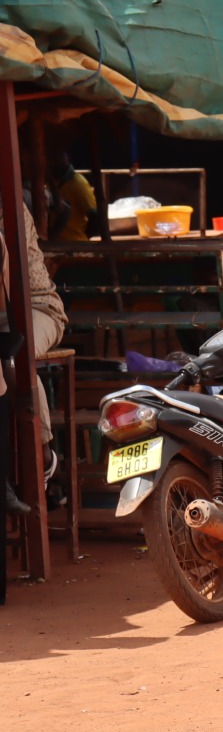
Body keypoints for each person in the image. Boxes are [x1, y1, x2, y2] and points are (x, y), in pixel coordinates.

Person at [1, 209, 67, 515]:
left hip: (37, 307)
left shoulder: (9, 206)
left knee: (15, 357)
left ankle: (42, 454)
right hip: (4, 314)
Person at [49, 152, 97, 242]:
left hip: (75, 245)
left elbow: (94, 217)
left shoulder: (78, 183)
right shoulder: (50, 183)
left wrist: (80, 239)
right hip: (56, 245)